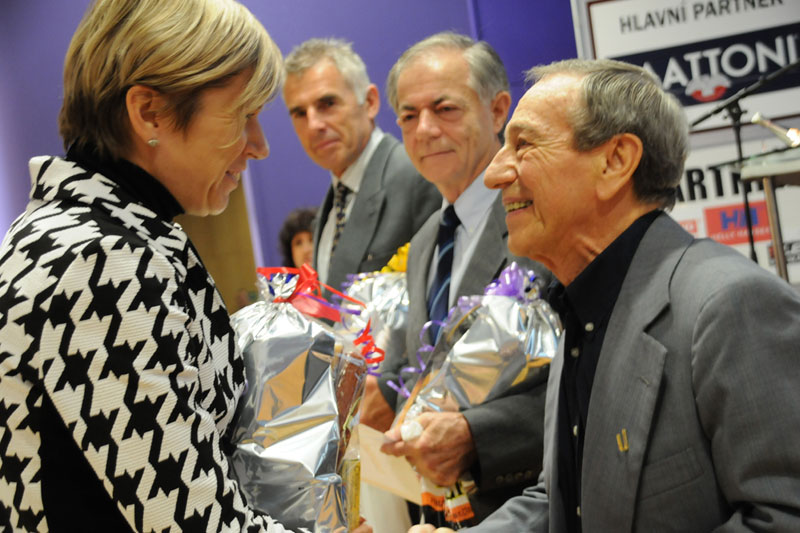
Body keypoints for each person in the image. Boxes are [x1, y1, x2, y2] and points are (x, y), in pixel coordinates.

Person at [0, 1, 371, 532]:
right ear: (149, 112)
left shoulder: (103, 234)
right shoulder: (98, 259)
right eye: (243, 115)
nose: (260, 146)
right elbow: (194, 523)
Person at [411, 58, 800, 533]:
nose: (494, 174)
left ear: (615, 161)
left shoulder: (730, 305)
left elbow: (785, 517)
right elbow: (563, 501)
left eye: (524, 145)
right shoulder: (580, 309)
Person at [368, 32, 553, 523]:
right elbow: (426, 365)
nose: (425, 129)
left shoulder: (542, 217)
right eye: (408, 116)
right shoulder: (426, 240)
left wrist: (476, 435)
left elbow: (587, 375)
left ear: (498, 110)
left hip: (531, 509)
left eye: (445, 109)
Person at [281, 38, 441, 293]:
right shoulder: (331, 206)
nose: (313, 125)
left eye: (327, 104)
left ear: (369, 102)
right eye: (300, 113)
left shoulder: (419, 176)